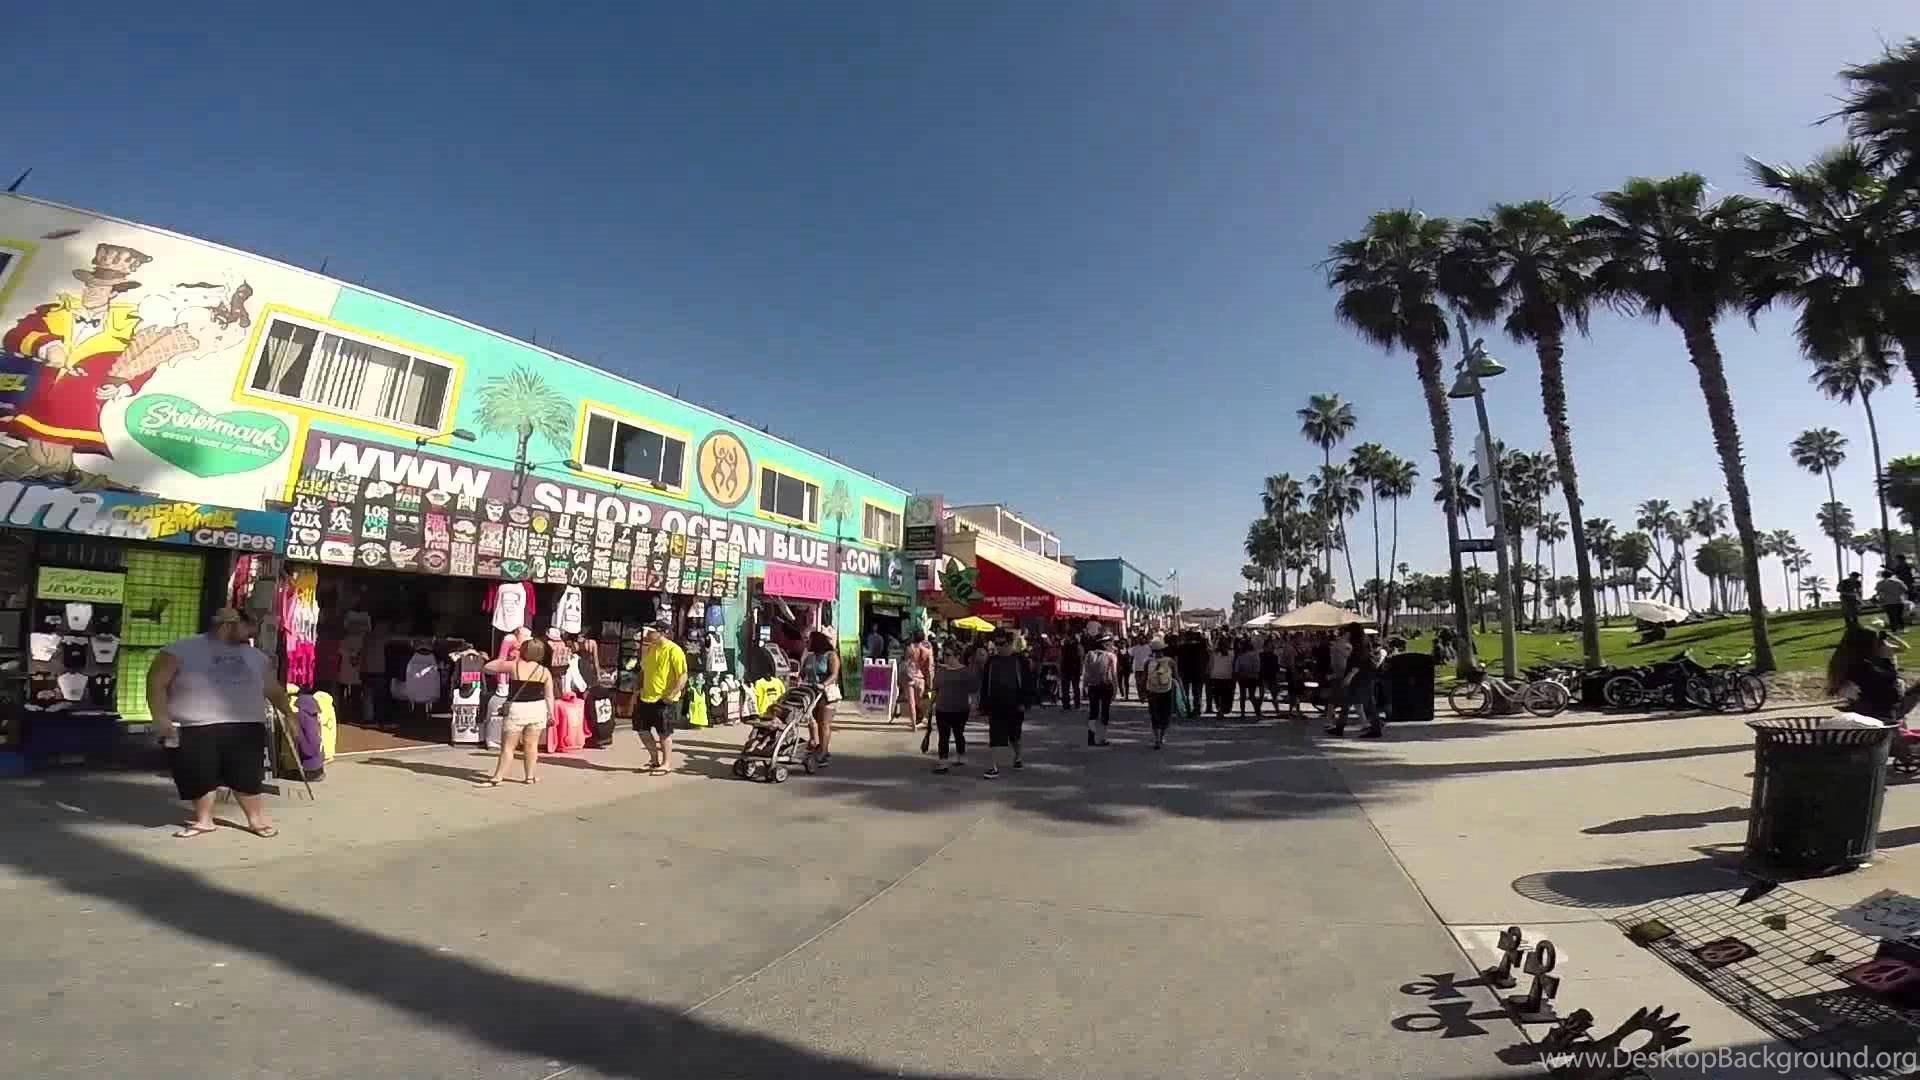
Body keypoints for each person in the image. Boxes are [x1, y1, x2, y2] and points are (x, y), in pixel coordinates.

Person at [148, 609, 295, 839]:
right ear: (229, 625)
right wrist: (161, 718)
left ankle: (257, 820)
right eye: (247, 628)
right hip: (195, 724)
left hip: (246, 724)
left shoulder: (256, 656)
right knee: (199, 774)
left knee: (247, 775)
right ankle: (204, 820)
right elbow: (156, 684)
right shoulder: (180, 649)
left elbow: (273, 689)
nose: (251, 634)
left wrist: (289, 714)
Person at [481, 636, 554, 785]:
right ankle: (529, 776)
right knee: (531, 745)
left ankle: (498, 776)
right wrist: (550, 714)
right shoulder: (545, 671)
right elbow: (549, 696)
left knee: (508, 747)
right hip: (537, 709)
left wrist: (505, 657)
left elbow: (488, 667)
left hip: (517, 710)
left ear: (524, 651)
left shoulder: (514, 666)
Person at [978, 632, 1033, 778]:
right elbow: (985, 684)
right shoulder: (992, 661)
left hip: (1015, 704)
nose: (998, 647)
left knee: (1014, 735)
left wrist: (1025, 702)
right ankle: (993, 767)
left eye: (1001, 644)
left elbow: (1028, 683)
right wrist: (983, 705)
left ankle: (1018, 757)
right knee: (995, 736)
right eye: (996, 644)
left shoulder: (1020, 660)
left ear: (1010, 644)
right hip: (996, 704)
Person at [636, 620, 688, 773]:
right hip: (646, 696)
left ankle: (666, 763)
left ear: (661, 632)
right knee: (642, 730)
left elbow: (682, 675)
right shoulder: (650, 648)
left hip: (663, 699)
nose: (648, 634)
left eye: (651, 631)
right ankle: (654, 759)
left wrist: (672, 694)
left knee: (663, 733)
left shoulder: (674, 650)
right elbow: (644, 670)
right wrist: (637, 689)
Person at [1328, 624, 1383, 738]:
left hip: (1361, 677)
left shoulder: (1359, 645)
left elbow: (1358, 663)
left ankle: (1376, 728)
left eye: (1348, 632)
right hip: (1363, 676)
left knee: (1367, 703)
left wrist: (1349, 677)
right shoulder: (1362, 642)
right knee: (1348, 702)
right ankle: (1340, 727)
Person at [800, 629, 841, 766]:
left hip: (827, 694)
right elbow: (803, 672)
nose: (807, 643)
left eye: (809, 640)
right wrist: (799, 679)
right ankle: (818, 746)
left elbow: (834, 674)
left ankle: (823, 752)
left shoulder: (831, 655)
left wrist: (824, 684)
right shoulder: (810, 657)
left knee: (824, 723)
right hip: (812, 693)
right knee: (813, 720)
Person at [931, 647, 974, 773]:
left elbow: (972, 689)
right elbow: (935, 689)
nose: (945, 657)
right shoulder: (941, 671)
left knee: (958, 734)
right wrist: (931, 705)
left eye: (948, 655)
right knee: (943, 736)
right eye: (944, 655)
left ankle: (961, 755)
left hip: (960, 709)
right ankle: (943, 763)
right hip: (942, 708)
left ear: (957, 656)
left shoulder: (965, 671)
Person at [1142, 634, 1179, 750]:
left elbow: (1144, 678)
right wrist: (1181, 689)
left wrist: (1142, 693)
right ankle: (1162, 737)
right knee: (1166, 714)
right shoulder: (1170, 661)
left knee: (1154, 715)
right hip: (1166, 690)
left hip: (1152, 691)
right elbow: (1176, 676)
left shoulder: (1148, 662)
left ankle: (1157, 738)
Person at [1083, 633, 1117, 746]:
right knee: (1105, 711)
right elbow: (1114, 674)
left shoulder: (1089, 654)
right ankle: (1102, 738)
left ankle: (1091, 737)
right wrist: (1116, 689)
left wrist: (1084, 686)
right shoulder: (1111, 656)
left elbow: (1086, 672)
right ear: (1106, 644)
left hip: (1093, 686)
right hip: (1106, 685)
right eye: (1110, 643)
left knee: (1093, 712)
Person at [904, 629, 933, 732]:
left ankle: (913, 726)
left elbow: (906, 664)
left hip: (911, 677)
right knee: (919, 701)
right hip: (921, 679)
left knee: (911, 702)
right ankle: (920, 719)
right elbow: (929, 668)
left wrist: (907, 675)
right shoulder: (927, 651)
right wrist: (930, 681)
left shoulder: (910, 648)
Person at [1178, 631, 1209, 718]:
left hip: (1186, 671)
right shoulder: (1201, 647)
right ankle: (1197, 709)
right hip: (1198, 672)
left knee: (1186, 692)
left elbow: (1179, 660)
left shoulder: (1182, 647)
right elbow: (1205, 658)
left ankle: (1187, 708)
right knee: (1197, 692)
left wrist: (1179, 671)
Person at [1233, 637, 1263, 718]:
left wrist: (1237, 675)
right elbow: (1258, 666)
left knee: (1243, 696)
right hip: (1253, 676)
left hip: (1242, 676)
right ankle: (1258, 712)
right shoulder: (1255, 655)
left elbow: (1236, 668)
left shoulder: (1240, 656)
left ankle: (1242, 713)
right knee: (1252, 696)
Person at [1208, 636, 1235, 717]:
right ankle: (1223, 709)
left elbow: (1210, 665)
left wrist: (1209, 673)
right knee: (1225, 694)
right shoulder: (1231, 654)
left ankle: (1219, 708)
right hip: (1227, 676)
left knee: (1217, 694)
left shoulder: (1214, 654)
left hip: (1215, 675)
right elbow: (1233, 665)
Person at [1060, 631, 1084, 712]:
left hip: (1067, 669)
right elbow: (1081, 659)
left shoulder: (1066, 646)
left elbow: (1062, 658)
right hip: (1075, 669)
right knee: (1076, 688)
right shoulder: (1078, 646)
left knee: (1066, 688)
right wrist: (1081, 669)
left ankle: (1066, 705)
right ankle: (1077, 705)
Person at [1127, 635, 1153, 702]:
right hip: (1137, 668)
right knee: (1138, 683)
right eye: (1140, 639)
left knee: (1144, 683)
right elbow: (1130, 656)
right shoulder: (1135, 648)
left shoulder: (1149, 647)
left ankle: (1144, 695)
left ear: (1145, 639)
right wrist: (1130, 665)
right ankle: (1140, 696)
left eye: (1142, 639)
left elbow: (1151, 656)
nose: (1141, 640)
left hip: (1146, 668)